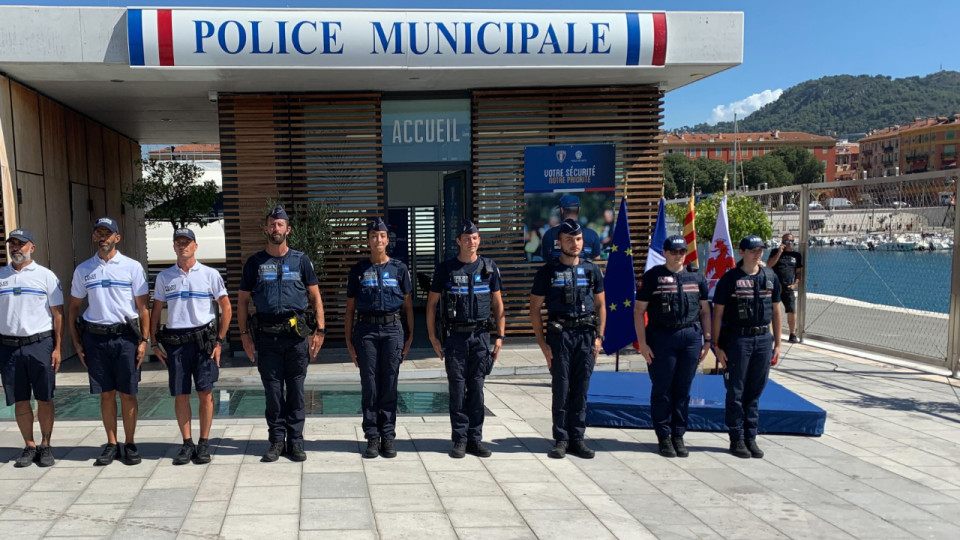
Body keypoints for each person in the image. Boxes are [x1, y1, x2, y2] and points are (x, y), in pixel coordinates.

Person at [237, 205, 325, 463]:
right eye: (272, 224)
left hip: (296, 338)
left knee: (296, 391)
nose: (276, 228)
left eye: (280, 224)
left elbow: (316, 297)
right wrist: (244, 335)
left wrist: (319, 330)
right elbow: (242, 301)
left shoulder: (301, 260)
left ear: (288, 229)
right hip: (267, 339)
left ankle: (296, 441)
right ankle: (276, 440)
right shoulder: (254, 263)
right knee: (273, 393)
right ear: (266, 229)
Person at [68, 217, 150, 466]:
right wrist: (77, 342)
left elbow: (144, 307)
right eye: (99, 233)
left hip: (126, 337)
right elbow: (73, 308)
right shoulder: (83, 269)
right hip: (96, 338)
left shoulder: (132, 267)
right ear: (94, 237)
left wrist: (144, 340)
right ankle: (112, 443)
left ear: (117, 237)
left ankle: (130, 443)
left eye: (108, 233)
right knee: (106, 394)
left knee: (128, 394)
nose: (103, 237)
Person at [150, 228, 232, 465]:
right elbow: (155, 311)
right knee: (181, 394)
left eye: (187, 242)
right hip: (177, 343)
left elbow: (226, 307)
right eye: (178, 242)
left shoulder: (209, 274)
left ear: (196, 246)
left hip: (203, 342)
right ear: (174, 247)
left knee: (205, 393)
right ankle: (187, 444)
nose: (182, 246)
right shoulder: (165, 277)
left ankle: (204, 443)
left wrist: (219, 341)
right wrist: (153, 342)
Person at [427, 220, 505, 459]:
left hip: (481, 337)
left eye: (475, 238)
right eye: (467, 238)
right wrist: (432, 337)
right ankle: (460, 438)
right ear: (458, 241)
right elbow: (431, 305)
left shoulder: (489, 268)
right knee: (458, 390)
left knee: (478, 389)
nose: (472, 242)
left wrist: (500, 337)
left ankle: (475, 438)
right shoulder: (446, 269)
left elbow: (498, 303)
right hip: (455, 338)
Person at [529, 219, 605, 459]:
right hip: (560, 336)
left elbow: (601, 305)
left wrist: (599, 337)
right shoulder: (547, 272)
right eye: (570, 239)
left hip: (586, 335)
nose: (575, 244)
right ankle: (561, 438)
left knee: (581, 390)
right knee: (561, 389)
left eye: (579, 239)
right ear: (559, 242)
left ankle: (578, 438)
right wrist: (543, 344)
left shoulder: (592, 270)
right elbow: (534, 309)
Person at [634, 235, 711, 458]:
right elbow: (639, 311)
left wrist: (707, 340)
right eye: (674, 251)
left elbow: (705, 311)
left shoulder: (696, 276)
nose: (679, 255)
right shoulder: (653, 277)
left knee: (683, 389)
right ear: (665, 253)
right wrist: (643, 343)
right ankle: (664, 435)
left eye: (682, 252)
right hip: (661, 336)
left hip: (690, 337)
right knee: (662, 389)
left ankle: (678, 434)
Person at [345, 217, 414, 459]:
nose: (378, 240)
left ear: (387, 240)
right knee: (370, 385)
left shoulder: (399, 269)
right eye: (374, 236)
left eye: (382, 236)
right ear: (368, 240)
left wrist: (409, 338)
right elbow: (350, 308)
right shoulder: (358, 270)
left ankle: (388, 436)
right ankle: (372, 437)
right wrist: (348, 341)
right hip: (366, 331)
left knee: (390, 384)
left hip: (393, 329)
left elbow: (407, 307)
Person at [711, 235, 782, 459]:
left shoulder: (770, 276)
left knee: (755, 390)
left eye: (760, 249)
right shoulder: (730, 278)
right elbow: (718, 312)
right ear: (742, 252)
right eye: (753, 250)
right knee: (736, 391)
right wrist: (716, 344)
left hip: (762, 338)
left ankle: (751, 437)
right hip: (738, 340)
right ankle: (736, 438)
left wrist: (778, 342)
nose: (757, 253)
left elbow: (777, 309)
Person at [0, 229, 63, 467]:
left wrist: (57, 348)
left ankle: (46, 445)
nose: (16, 248)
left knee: (45, 397)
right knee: (20, 400)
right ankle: (29, 445)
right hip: (9, 347)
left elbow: (58, 315)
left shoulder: (46, 276)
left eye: (21, 244)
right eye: (12, 244)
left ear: (32, 247)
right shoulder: (2, 276)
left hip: (39, 344)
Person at [540, 195, 603, 261]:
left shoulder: (549, 235)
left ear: (562, 210)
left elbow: (546, 261)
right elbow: (597, 263)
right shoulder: (592, 235)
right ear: (579, 209)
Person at [766, 233, 803, 343]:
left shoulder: (796, 255)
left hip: (788, 286)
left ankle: (792, 334)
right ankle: (770, 333)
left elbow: (798, 272)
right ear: (782, 242)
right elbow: (769, 265)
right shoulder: (775, 252)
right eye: (786, 241)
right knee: (771, 310)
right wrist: (779, 252)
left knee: (791, 310)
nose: (789, 243)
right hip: (775, 286)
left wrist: (795, 284)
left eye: (791, 241)